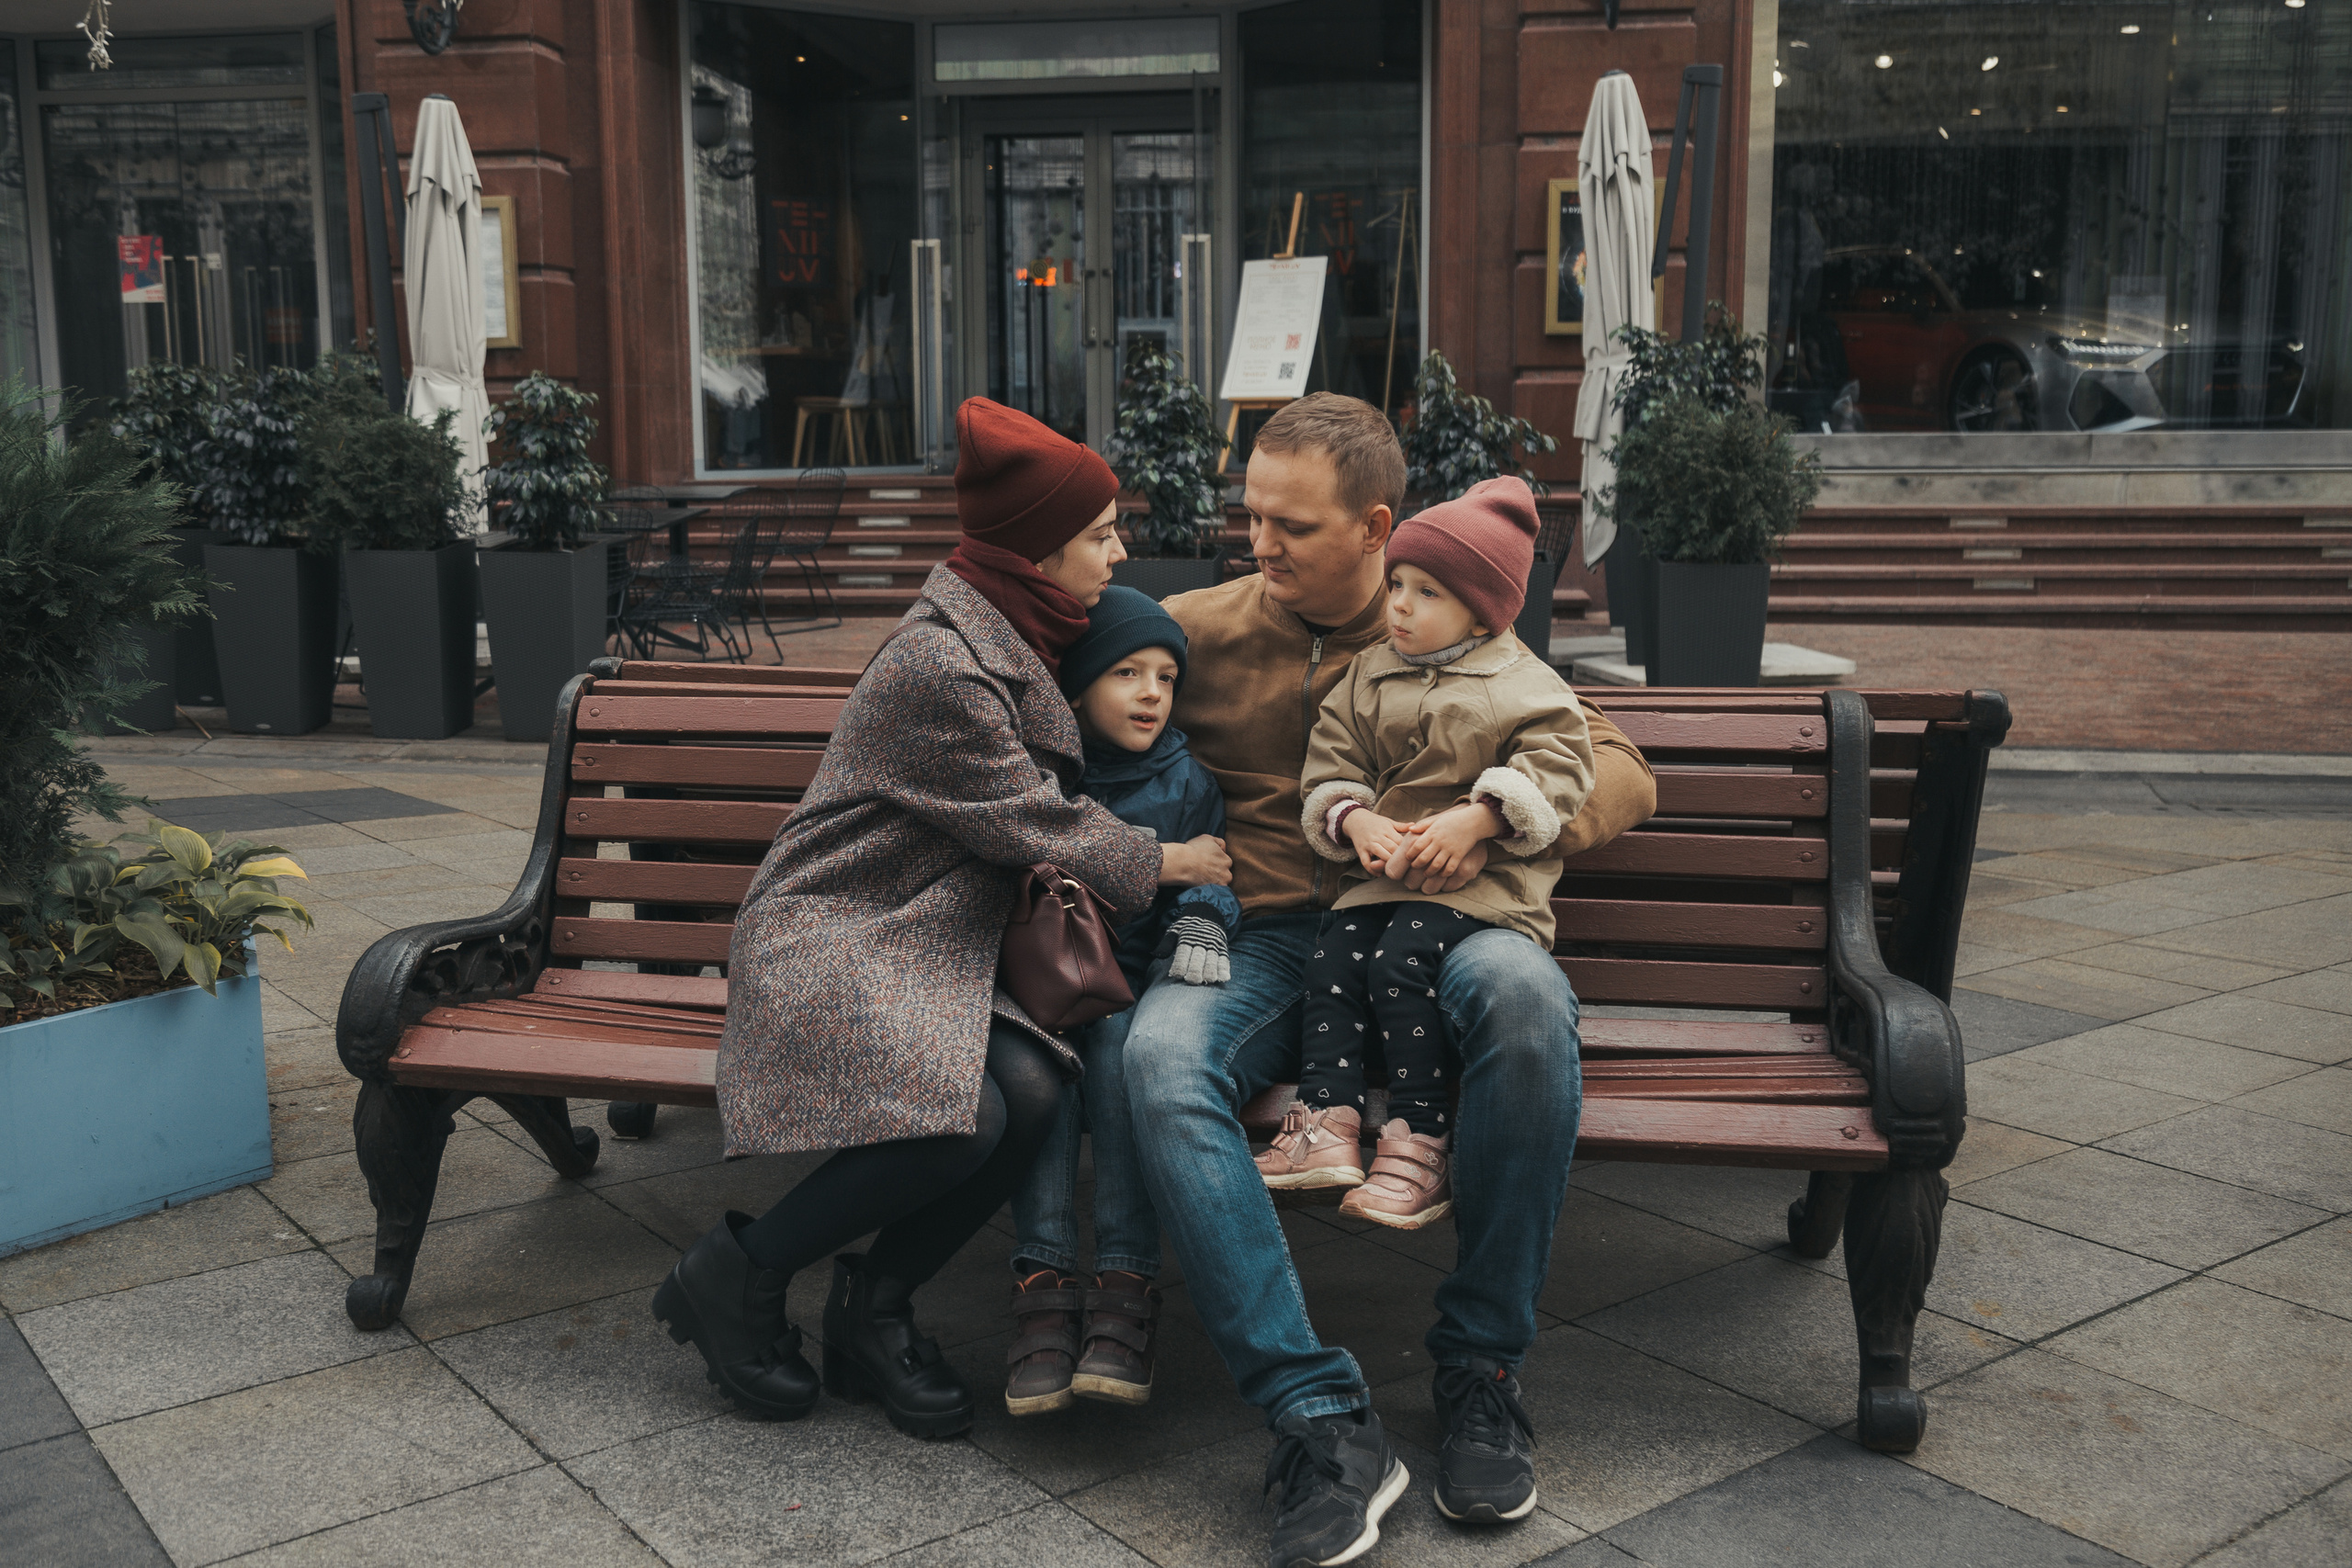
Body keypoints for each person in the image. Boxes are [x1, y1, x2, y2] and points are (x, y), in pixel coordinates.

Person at [1124, 392, 1656, 1563]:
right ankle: (1315, 1412)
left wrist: (1492, 818)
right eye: (1250, 516)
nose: (1257, 545)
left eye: (1291, 528)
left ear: (1375, 529)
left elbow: (1612, 766)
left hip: (1447, 916)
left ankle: (1481, 1364)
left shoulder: (1449, 618)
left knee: (1524, 1007)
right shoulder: (1193, 625)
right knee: (1156, 1059)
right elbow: (1066, 690)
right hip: (1269, 939)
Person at [653, 398, 1232, 1441]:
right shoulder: (943, 665)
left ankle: (872, 1310)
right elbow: (1029, 819)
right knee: (969, 1113)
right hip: (839, 932)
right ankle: (735, 1272)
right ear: (1037, 547)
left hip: (922, 936)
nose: (1120, 550)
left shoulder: (1009, 626)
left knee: (1034, 1093)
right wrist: (1167, 857)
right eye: (1101, 534)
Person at [1259, 476, 1594, 1233]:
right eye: (1399, 584)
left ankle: (1419, 1141)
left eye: (1428, 592)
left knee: (1399, 962)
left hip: (1486, 892)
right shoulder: (1370, 673)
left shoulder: (1523, 683)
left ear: (1482, 606)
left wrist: (1479, 819)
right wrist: (1352, 821)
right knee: (1335, 958)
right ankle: (1327, 1123)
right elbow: (1331, 759)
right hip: (1382, 880)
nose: (1400, 605)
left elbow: (1561, 767)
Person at [1003, 587, 1241, 1417]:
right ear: (1077, 687)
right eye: (1127, 672)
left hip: (1133, 990)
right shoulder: (1042, 778)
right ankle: (1041, 1276)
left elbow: (1214, 876)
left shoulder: (1186, 781)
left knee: (1113, 1050)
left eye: (1167, 677)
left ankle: (1125, 1282)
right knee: (1042, 1060)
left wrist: (1203, 922)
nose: (1151, 692)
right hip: (1037, 988)